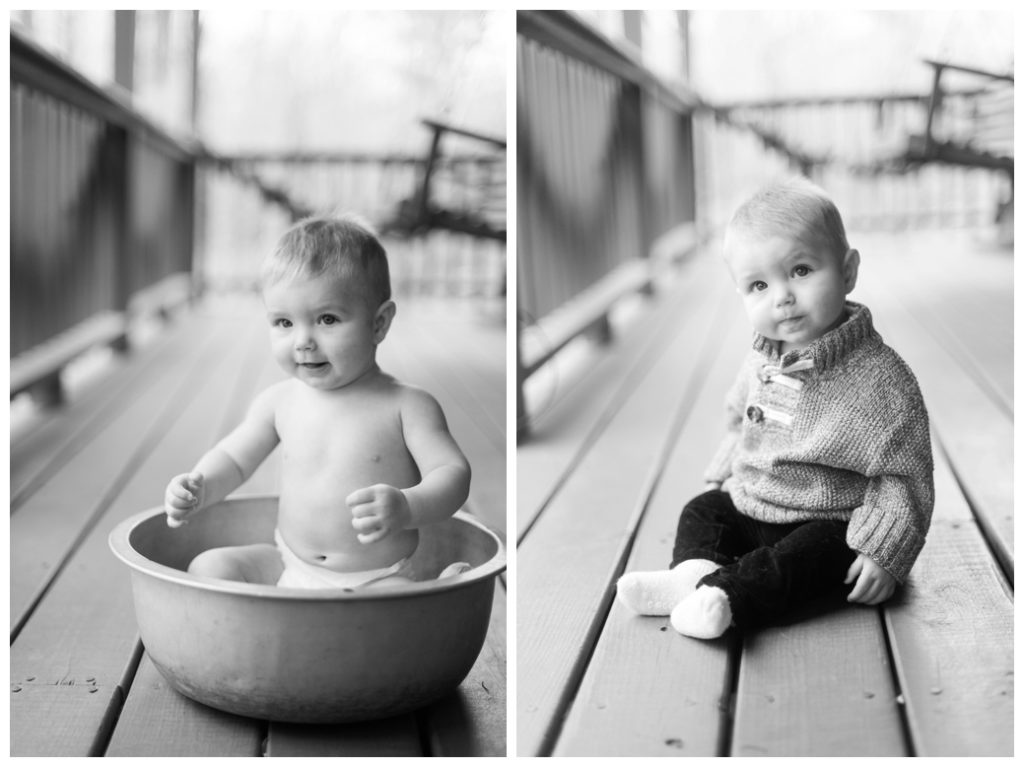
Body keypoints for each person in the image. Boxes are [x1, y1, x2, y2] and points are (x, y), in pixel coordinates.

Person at [616, 177, 934, 638]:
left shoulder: (882, 382)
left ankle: (727, 598)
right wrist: (731, 464)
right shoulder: (762, 358)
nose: (782, 296)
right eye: (759, 285)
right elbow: (738, 417)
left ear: (847, 271)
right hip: (759, 501)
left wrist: (884, 548)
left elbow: (906, 475)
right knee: (703, 510)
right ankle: (691, 575)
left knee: (811, 555)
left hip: (832, 519)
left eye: (801, 270)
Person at [164, 215, 472, 589]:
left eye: (327, 319)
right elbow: (233, 459)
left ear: (379, 324)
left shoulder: (407, 406)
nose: (302, 341)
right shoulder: (278, 402)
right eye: (284, 323)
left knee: (400, 615)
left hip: (375, 580)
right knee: (208, 567)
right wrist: (199, 487)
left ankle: (439, 590)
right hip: (288, 566)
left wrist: (407, 506)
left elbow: (452, 474)